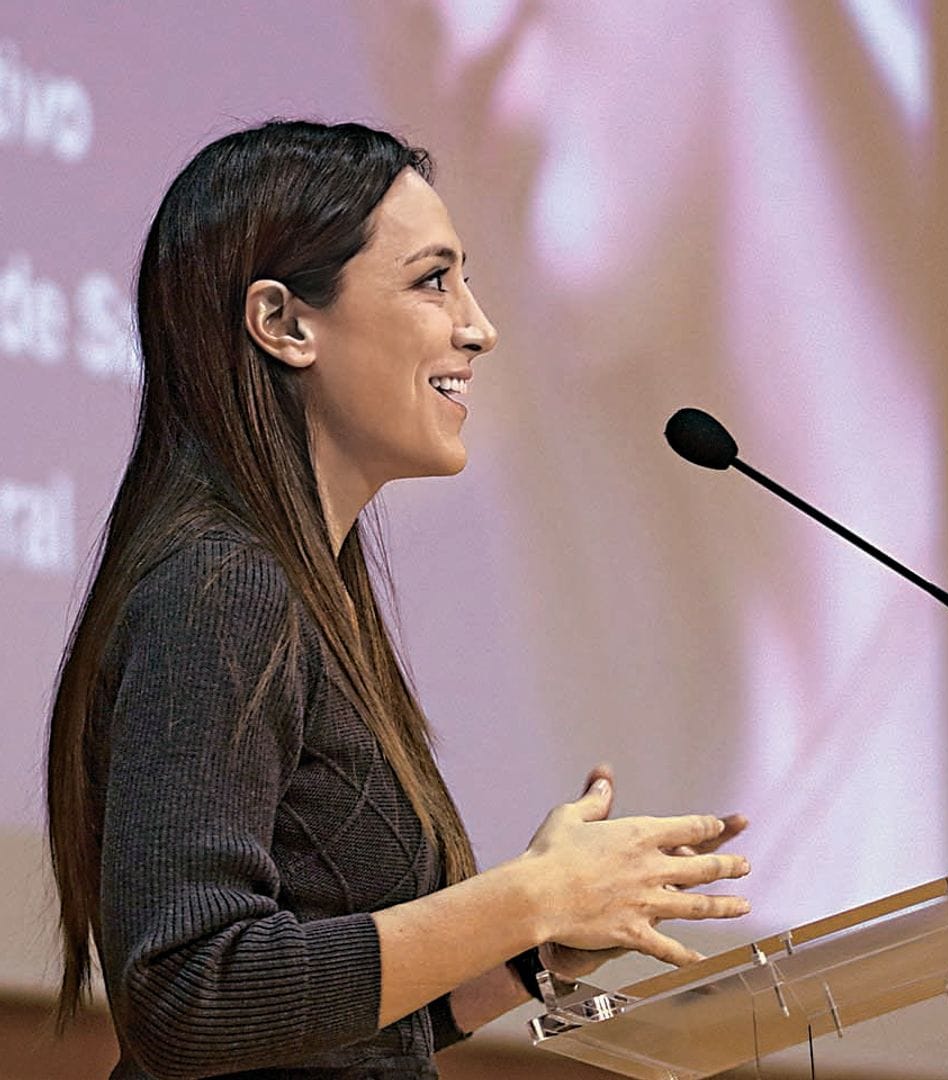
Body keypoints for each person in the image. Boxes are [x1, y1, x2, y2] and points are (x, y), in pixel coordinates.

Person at [46, 119, 752, 1080]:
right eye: (434, 280)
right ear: (285, 323)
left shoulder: (301, 587)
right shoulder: (221, 586)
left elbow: (329, 1026)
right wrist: (524, 897)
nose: (480, 325)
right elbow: (188, 995)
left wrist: (532, 950)